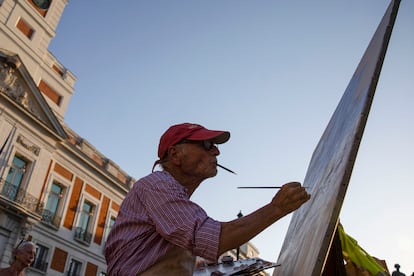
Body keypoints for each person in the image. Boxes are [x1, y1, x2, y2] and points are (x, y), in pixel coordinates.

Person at [104, 123, 311, 275]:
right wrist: (277, 208)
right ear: (175, 155)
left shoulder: (176, 202)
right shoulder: (157, 185)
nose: (216, 150)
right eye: (206, 144)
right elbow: (212, 239)